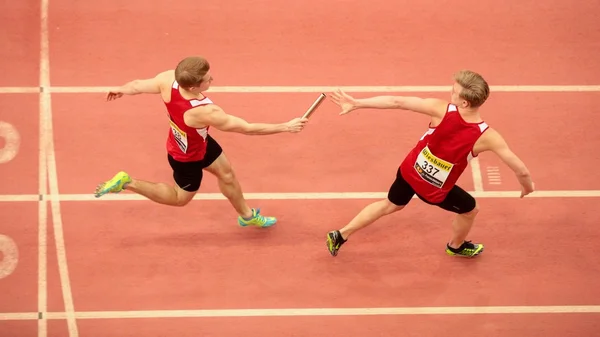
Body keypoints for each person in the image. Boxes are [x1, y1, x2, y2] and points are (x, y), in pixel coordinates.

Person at [325, 70, 535, 257]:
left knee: (390, 204)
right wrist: (527, 187)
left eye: (454, 92)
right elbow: (521, 170)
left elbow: (398, 102)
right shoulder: (488, 136)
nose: (450, 94)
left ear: (465, 103)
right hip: (433, 189)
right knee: (470, 210)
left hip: (409, 169)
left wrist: (357, 103)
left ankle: (340, 235)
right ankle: (456, 245)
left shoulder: (441, 109)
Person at [94, 56, 308, 228]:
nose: (211, 79)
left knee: (226, 173)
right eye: (207, 79)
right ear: (195, 88)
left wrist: (120, 89)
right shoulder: (204, 112)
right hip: (185, 157)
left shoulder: (168, 79)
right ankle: (128, 182)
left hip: (199, 140)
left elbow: (137, 85)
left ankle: (247, 215)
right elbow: (246, 128)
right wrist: (285, 127)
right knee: (180, 198)